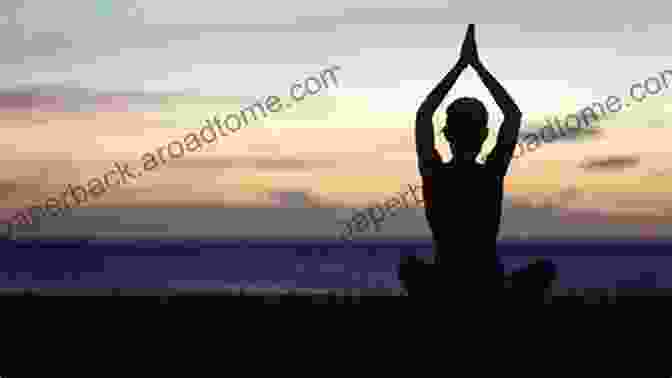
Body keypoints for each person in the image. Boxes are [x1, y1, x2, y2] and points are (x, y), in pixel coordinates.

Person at [398, 24, 557, 300]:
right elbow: (512, 115)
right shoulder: (492, 173)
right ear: (484, 135)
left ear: (446, 134)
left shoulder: (434, 173)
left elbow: (423, 115)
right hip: (487, 285)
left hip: (446, 285)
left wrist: (461, 66)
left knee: (408, 267)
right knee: (544, 270)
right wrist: (476, 66)